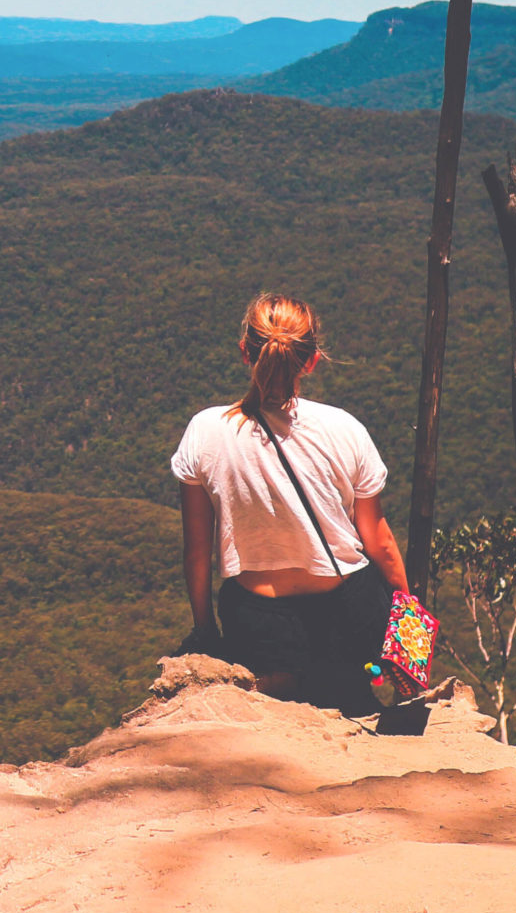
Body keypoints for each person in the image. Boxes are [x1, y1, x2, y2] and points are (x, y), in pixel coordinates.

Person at [170, 292, 410, 712]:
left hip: (257, 618)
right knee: (350, 689)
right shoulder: (345, 429)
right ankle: (349, 686)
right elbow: (380, 543)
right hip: (347, 610)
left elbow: (197, 552)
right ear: (311, 360)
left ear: (246, 352)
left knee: (281, 689)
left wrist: (205, 629)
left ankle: (286, 682)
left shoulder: (204, 431)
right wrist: (406, 619)